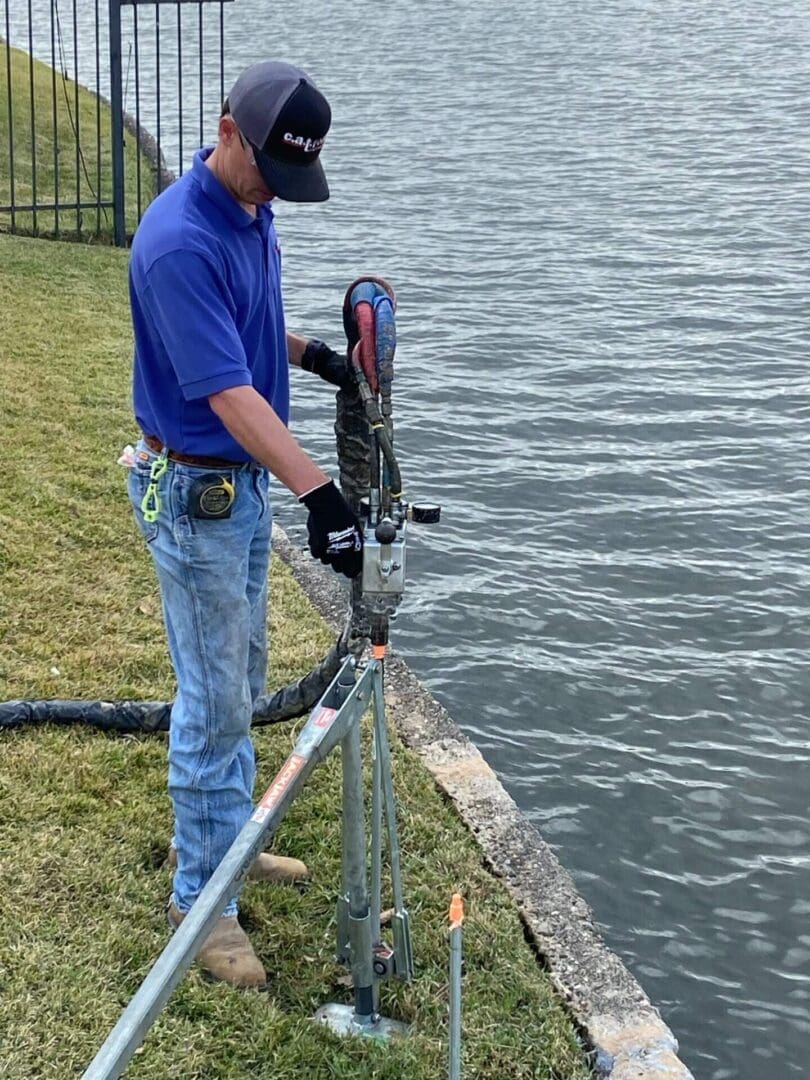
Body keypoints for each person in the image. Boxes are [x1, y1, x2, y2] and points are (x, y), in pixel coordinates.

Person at [126, 60, 363, 990]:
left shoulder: (247, 213)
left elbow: (251, 322)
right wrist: (322, 495)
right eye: (266, 168)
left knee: (245, 675)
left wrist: (315, 359)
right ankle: (200, 899)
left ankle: (228, 842)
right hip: (198, 495)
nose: (273, 191)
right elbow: (224, 391)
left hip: (242, 496)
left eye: (286, 177)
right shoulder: (179, 239)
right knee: (214, 699)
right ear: (228, 130)